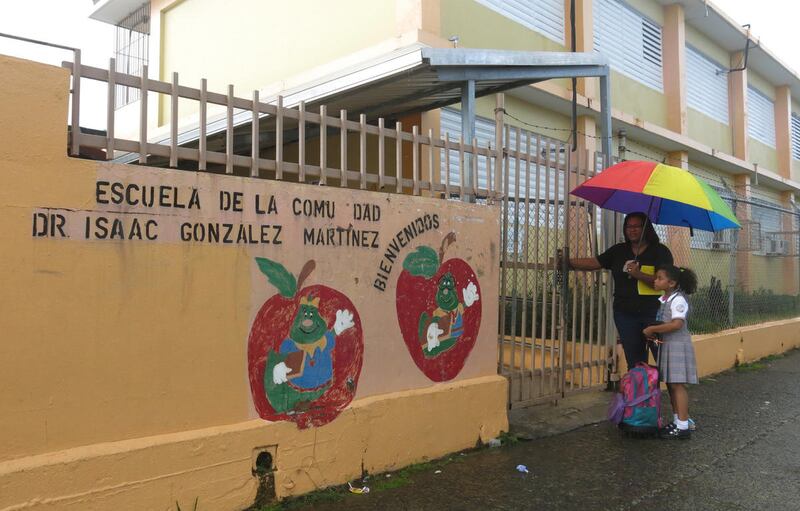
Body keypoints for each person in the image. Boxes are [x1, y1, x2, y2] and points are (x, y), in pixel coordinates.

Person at [565, 212, 673, 369]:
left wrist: (638, 274)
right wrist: (567, 262)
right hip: (625, 314)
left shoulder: (661, 252)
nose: (632, 230)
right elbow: (596, 262)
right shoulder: (619, 250)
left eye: (637, 226)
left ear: (646, 229)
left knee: (664, 359)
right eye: (628, 226)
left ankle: (674, 391)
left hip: (654, 314)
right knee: (635, 360)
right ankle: (640, 392)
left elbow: (665, 283)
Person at [643, 265, 699, 439]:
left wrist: (652, 329)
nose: (655, 280)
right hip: (669, 344)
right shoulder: (667, 299)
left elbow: (677, 324)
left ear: (672, 282)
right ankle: (677, 421)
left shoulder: (678, 300)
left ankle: (683, 426)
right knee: (673, 384)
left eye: (660, 278)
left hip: (677, 346)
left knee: (677, 385)